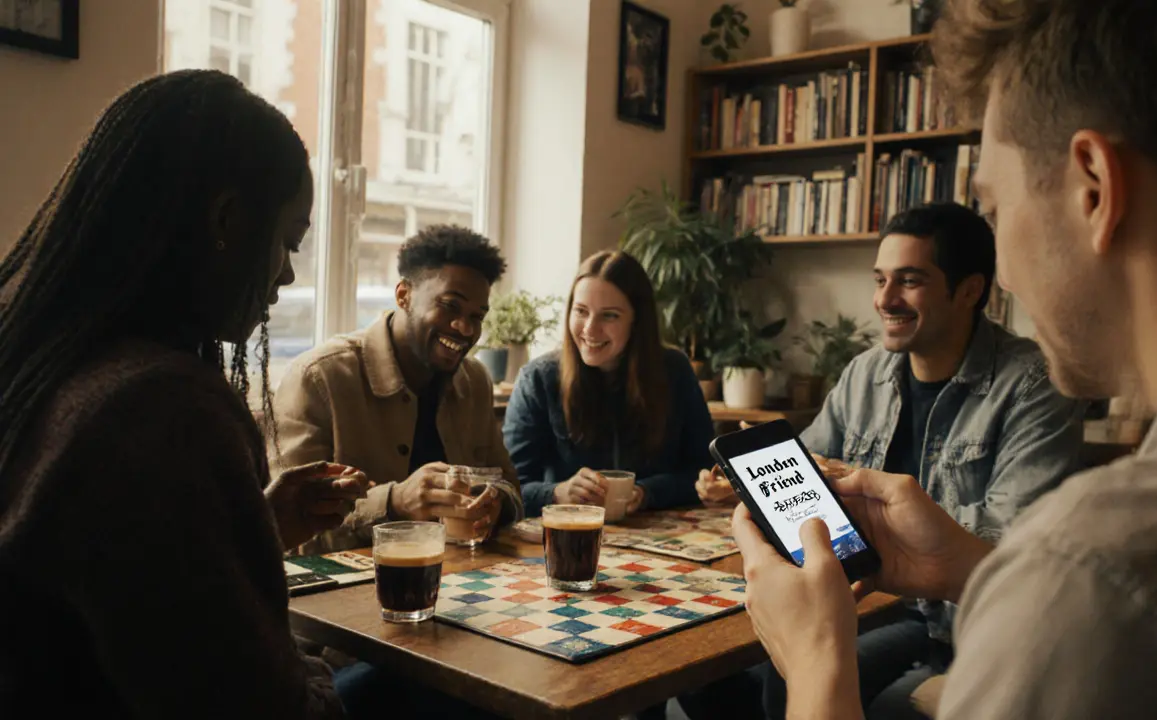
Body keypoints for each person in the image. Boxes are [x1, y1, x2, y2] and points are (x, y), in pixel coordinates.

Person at [733, 0, 1157, 718]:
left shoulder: (1091, 579)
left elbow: (1077, 582)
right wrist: (965, 564)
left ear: (1093, 189)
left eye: (995, 207)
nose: (1007, 276)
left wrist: (815, 660)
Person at [0, 70, 371, 716]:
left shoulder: (51, 370)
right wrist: (307, 668)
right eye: (285, 243)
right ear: (226, 219)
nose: (285, 275)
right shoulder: (157, 412)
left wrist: (257, 526)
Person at [721, 202, 1087, 720]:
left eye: (909, 281)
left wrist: (897, 530)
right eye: (880, 279)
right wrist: (758, 479)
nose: (884, 299)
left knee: (796, 673)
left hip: (953, 621)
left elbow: (1014, 537)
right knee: (728, 677)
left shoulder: (1032, 384)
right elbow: (815, 460)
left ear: (969, 291)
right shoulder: (865, 372)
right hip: (865, 593)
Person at [273, 225, 522, 556]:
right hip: (344, 597)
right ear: (403, 295)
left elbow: (509, 486)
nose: (465, 328)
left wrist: (496, 504)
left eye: (477, 316)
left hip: (457, 580)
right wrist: (393, 503)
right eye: (450, 306)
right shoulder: (319, 378)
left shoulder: (474, 380)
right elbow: (287, 531)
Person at [503, 250, 714, 517]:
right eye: (581, 311)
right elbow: (506, 488)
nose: (590, 329)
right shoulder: (538, 379)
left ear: (637, 321)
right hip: (568, 535)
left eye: (609, 315)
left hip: (655, 533)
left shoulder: (674, 370)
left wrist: (647, 492)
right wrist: (558, 492)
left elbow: (704, 471)